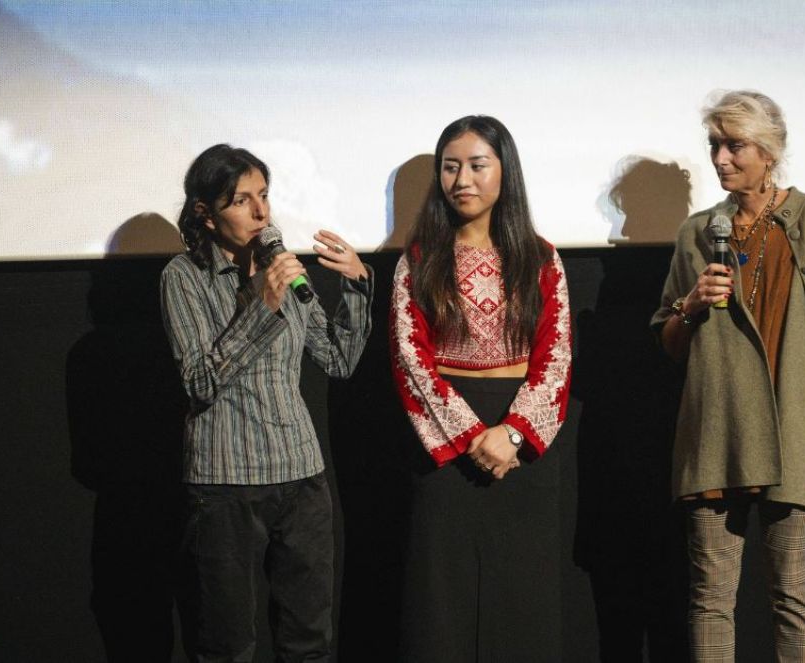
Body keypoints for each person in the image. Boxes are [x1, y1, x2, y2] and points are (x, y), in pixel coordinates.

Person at [651, 91, 805, 662]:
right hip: (717, 432)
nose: (720, 158)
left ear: (769, 151)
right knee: (710, 598)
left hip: (794, 431)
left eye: (735, 146)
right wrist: (690, 305)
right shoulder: (698, 232)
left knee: (794, 594)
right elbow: (670, 344)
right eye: (715, 145)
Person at [160, 144, 373, 662]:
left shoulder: (281, 268)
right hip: (226, 482)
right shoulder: (183, 277)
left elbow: (338, 360)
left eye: (264, 196)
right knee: (227, 644)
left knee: (309, 641)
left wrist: (356, 286)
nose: (261, 213)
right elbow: (199, 382)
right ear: (205, 214)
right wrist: (261, 304)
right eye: (241, 200)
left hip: (301, 476)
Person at [389, 115, 572, 663]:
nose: (462, 180)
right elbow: (410, 359)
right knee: (441, 598)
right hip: (447, 445)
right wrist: (471, 435)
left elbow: (556, 358)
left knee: (522, 595)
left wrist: (512, 434)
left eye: (476, 165)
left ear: (504, 171)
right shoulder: (418, 260)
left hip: (520, 445)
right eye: (450, 167)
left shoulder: (541, 258)